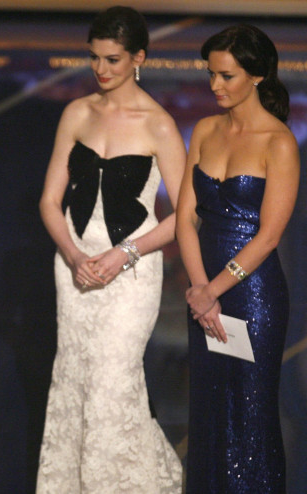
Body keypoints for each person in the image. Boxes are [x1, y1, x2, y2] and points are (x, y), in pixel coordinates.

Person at [36, 6, 185, 493]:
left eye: (113, 60)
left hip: (133, 271)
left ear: (138, 58)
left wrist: (124, 255)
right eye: (95, 58)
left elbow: (187, 216)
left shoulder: (159, 124)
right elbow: (50, 201)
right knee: (76, 379)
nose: (101, 70)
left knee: (112, 385)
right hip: (75, 268)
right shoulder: (76, 113)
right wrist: (75, 256)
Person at [176, 24, 298, 492]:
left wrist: (213, 290)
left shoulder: (278, 141)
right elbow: (186, 218)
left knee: (249, 414)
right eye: (211, 75)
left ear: (258, 75)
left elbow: (269, 236)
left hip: (252, 296)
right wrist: (198, 289)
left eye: (226, 76)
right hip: (201, 292)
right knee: (207, 412)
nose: (214, 86)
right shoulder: (205, 129)